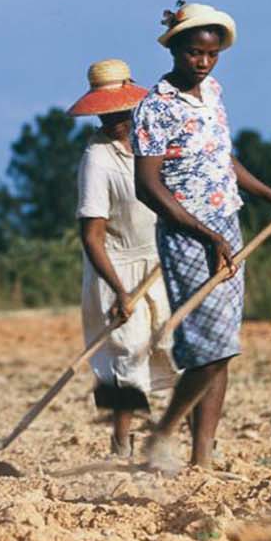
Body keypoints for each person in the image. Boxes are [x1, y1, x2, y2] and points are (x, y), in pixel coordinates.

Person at [133, 2, 271, 471]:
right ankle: (164, 432)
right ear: (174, 50)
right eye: (193, 53)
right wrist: (203, 233)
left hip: (227, 225)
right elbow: (147, 185)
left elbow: (221, 160)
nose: (203, 63)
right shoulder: (156, 107)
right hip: (187, 235)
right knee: (210, 347)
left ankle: (201, 456)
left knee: (223, 345)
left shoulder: (213, 93)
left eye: (211, 55)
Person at [70, 59, 178, 455]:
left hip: (160, 260)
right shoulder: (98, 158)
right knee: (124, 356)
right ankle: (121, 446)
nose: (117, 119)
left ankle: (174, 439)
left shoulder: (155, 142)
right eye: (108, 113)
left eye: (123, 111)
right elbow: (92, 235)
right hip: (115, 267)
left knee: (174, 347)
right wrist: (119, 290)